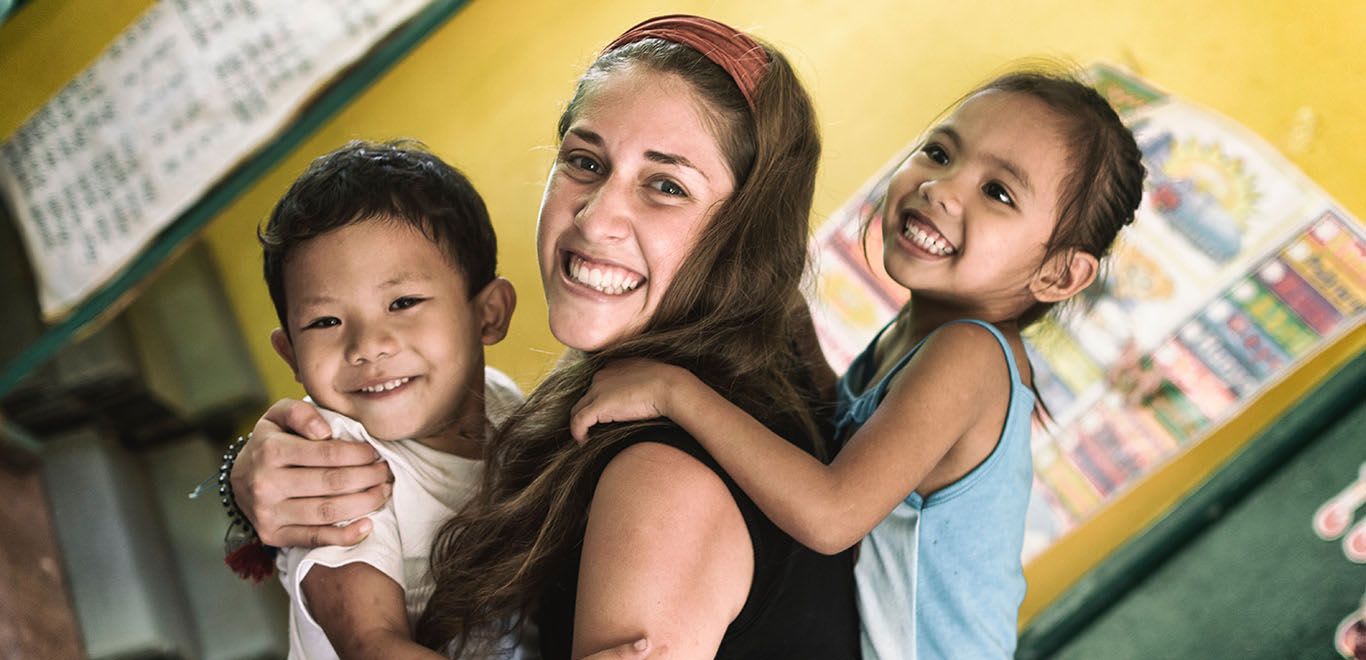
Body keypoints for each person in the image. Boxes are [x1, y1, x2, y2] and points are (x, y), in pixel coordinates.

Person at [231, 15, 861, 660]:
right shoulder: (669, 388)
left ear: (746, 230)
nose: (596, 218)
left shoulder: (661, 476)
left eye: (666, 185)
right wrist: (246, 479)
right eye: (585, 163)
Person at [570, 70, 1147, 659]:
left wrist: (675, 393)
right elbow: (842, 437)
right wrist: (791, 324)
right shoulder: (917, 335)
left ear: (1058, 274)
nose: (942, 189)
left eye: (998, 193)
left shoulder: (969, 355)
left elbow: (832, 513)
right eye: (940, 152)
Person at [254, 140, 528, 658]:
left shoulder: (503, 406)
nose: (367, 346)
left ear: (488, 314)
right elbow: (371, 644)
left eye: (402, 303)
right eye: (325, 322)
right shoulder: (337, 468)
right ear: (290, 353)